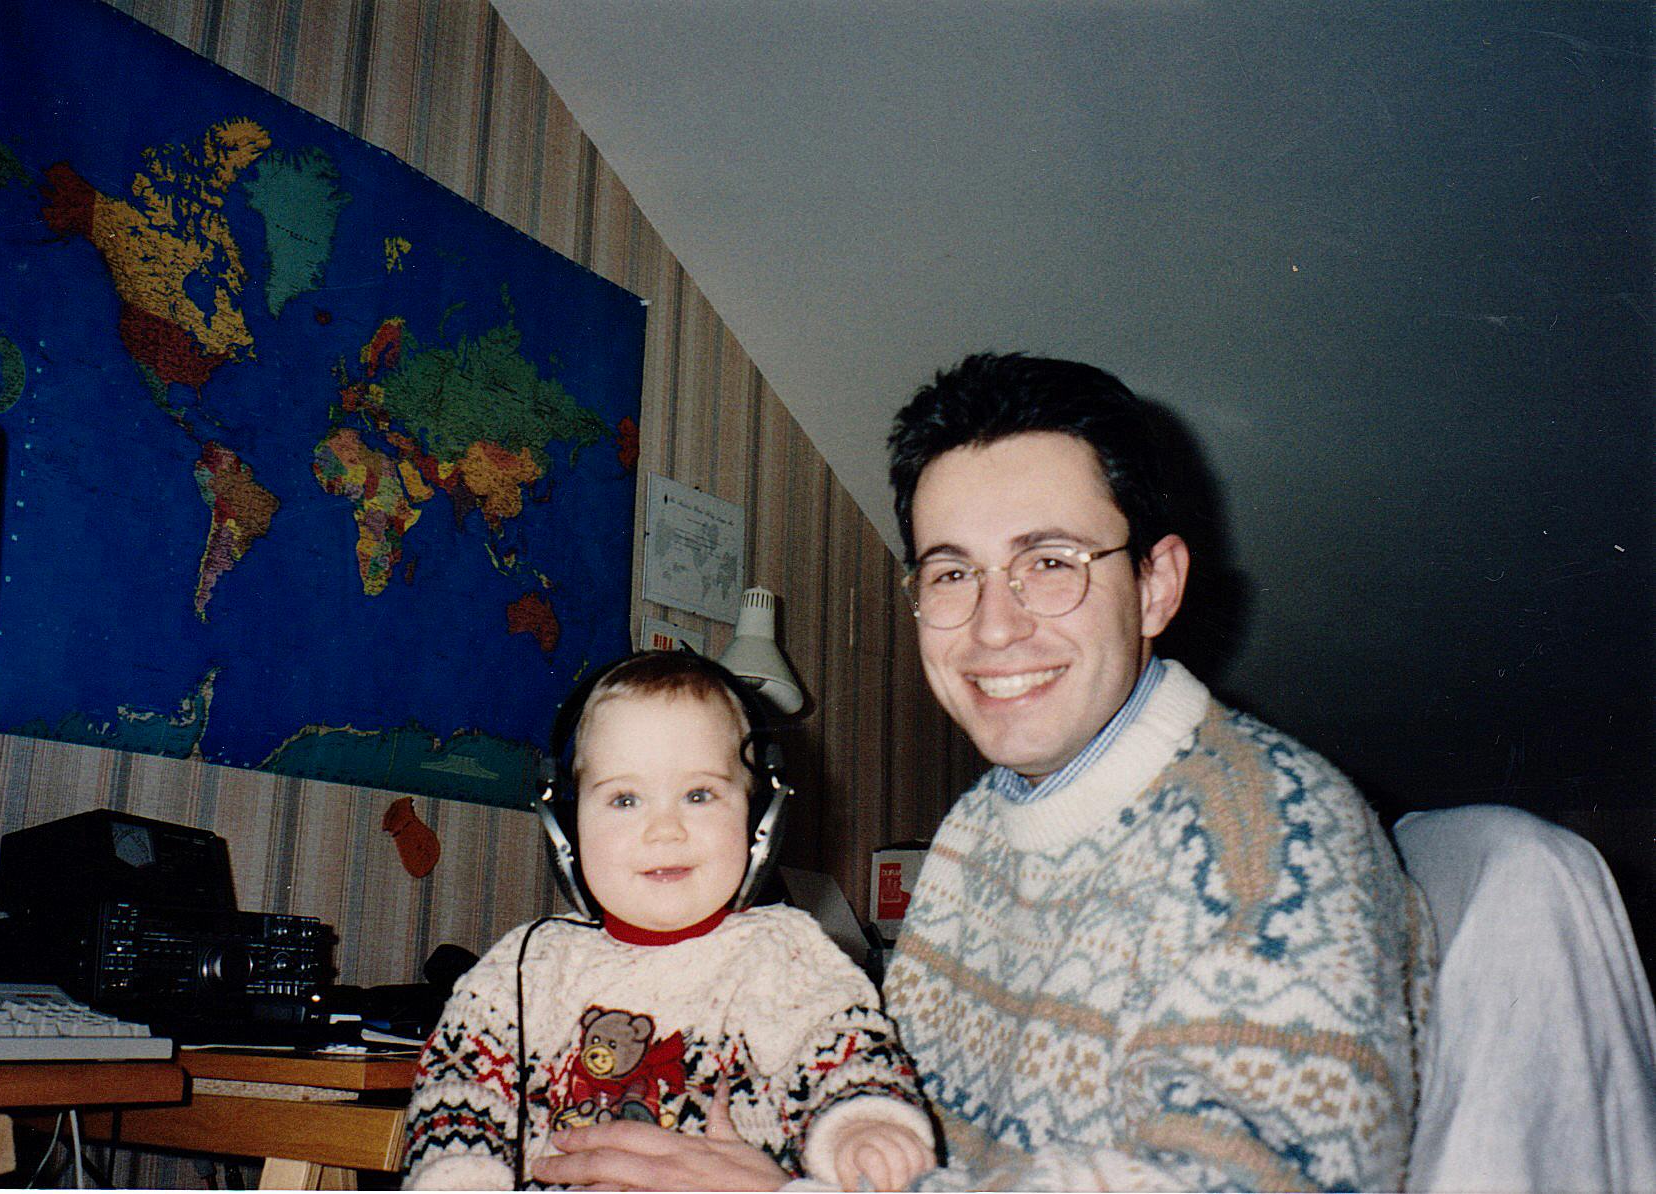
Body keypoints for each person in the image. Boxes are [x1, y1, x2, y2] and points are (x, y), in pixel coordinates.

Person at [535, 352, 1434, 1193]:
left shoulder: (1272, 832)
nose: (993, 626)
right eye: (952, 573)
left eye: (1049, 563)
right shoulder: (981, 823)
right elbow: (899, 1118)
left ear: (1154, 585)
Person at [402, 651, 935, 1191]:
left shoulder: (785, 954)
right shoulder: (527, 966)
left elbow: (850, 1058)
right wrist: (458, 1175)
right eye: (625, 799)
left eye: (698, 795)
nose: (665, 830)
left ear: (760, 822)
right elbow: (457, 1084)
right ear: (565, 829)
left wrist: (864, 1128)